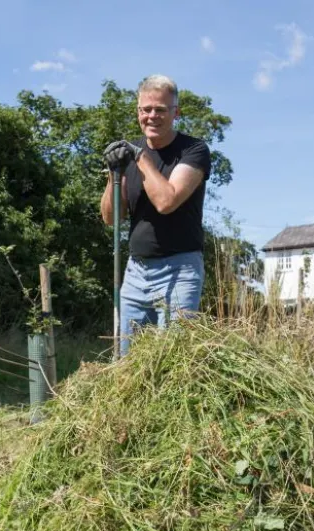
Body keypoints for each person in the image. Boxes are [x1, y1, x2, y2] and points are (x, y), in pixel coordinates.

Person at [100, 74, 211, 356]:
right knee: (128, 360)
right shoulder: (131, 154)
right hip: (136, 272)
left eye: (160, 109)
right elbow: (112, 218)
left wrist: (140, 160)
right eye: (145, 109)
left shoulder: (193, 151)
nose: (152, 116)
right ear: (138, 111)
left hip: (180, 270)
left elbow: (167, 201)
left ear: (176, 112)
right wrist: (114, 173)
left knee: (173, 360)